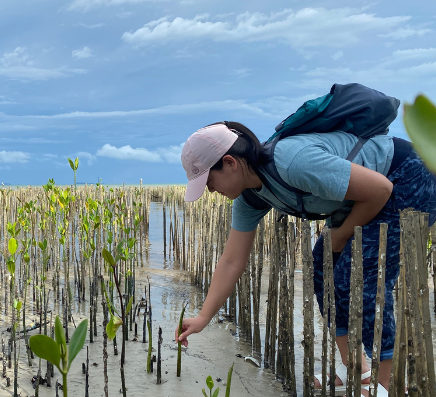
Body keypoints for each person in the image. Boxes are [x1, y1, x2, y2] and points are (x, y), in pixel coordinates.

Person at [176, 121, 436, 397]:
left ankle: (386, 385)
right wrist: (204, 317)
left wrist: (341, 234)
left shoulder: (292, 163)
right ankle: (358, 371)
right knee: (322, 268)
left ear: (230, 163)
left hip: (409, 175)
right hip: (371, 194)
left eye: (209, 181)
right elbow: (231, 261)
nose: (211, 191)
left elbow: (380, 189)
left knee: (361, 275)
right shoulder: (249, 198)